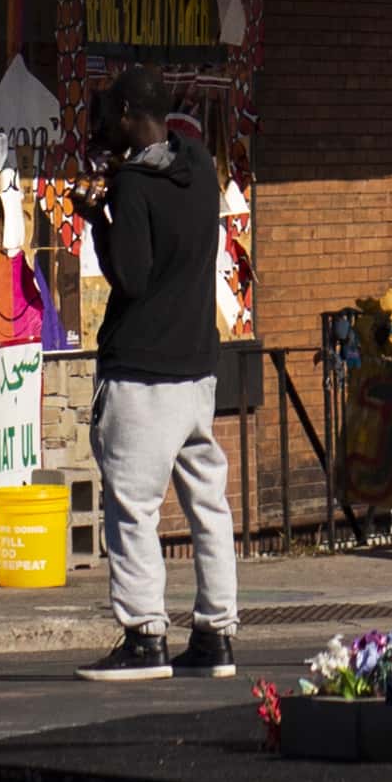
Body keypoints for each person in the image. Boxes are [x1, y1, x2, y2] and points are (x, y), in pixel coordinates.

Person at [82, 76, 236, 678]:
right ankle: (216, 633)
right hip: (198, 370)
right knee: (209, 507)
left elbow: (133, 276)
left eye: (108, 115)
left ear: (126, 113)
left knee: (133, 508)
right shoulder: (200, 167)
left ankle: (145, 636)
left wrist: (99, 220)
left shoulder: (132, 185)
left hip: (142, 373)